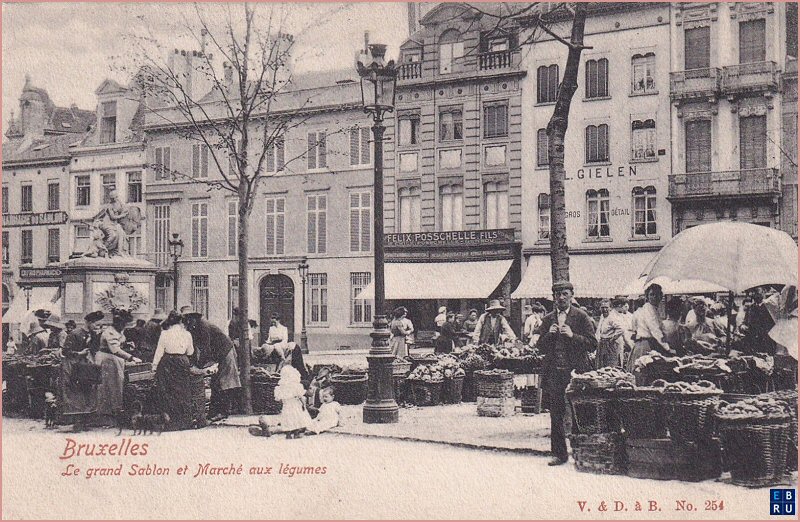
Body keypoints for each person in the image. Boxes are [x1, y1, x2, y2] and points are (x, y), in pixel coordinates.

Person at [536, 281, 598, 466]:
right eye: (557, 295)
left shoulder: (581, 316)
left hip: (576, 371)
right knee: (556, 413)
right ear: (553, 297)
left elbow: (592, 343)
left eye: (564, 294)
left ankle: (582, 450)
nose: (561, 298)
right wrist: (549, 335)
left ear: (571, 295)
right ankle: (559, 454)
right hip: (555, 371)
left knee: (581, 410)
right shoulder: (547, 319)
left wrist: (573, 336)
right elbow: (540, 346)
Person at [183, 308, 242, 422]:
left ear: (194, 318)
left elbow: (205, 349)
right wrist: (193, 362)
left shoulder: (203, 325)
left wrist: (199, 366)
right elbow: (195, 348)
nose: (187, 322)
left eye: (189, 319)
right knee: (216, 382)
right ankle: (214, 411)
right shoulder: (194, 328)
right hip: (218, 354)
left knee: (224, 382)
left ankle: (223, 412)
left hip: (225, 352)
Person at [152, 311, 197, 430]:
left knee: (168, 390)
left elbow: (159, 352)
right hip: (182, 361)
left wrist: (154, 367)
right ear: (181, 321)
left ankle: (170, 421)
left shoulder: (165, 334)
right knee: (183, 390)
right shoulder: (187, 334)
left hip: (168, 362)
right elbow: (190, 351)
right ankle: (184, 421)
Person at [95, 309, 141, 421]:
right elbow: (115, 350)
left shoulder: (119, 331)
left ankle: (115, 410)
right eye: (124, 324)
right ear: (118, 323)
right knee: (109, 386)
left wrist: (126, 344)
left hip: (115, 360)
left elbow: (119, 344)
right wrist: (131, 357)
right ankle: (106, 414)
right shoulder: (109, 332)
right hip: (107, 360)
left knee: (117, 385)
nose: (124, 327)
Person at [60, 311, 103, 427]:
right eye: (96, 324)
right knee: (76, 391)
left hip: (86, 365)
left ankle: (88, 417)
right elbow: (65, 351)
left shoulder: (94, 334)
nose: (97, 327)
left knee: (89, 388)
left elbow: (94, 349)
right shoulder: (75, 333)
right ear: (88, 322)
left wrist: (97, 338)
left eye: (99, 325)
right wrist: (79, 353)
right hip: (74, 365)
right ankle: (76, 419)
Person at [627, 284, 672, 371]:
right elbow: (655, 330)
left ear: (661, 296)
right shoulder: (649, 309)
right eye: (652, 294)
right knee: (645, 370)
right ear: (647, 296)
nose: (654, 297)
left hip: (641, 344)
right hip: (647, 345)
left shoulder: (644, 310)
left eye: (657, 294)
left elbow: (634, 329)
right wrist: (667, 348)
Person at [259, 314, 308, 381]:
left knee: (294, 364)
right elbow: (269, 339)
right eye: (272, 322)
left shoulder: (284, 328)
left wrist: (278, 346)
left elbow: (285, 340)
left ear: (278, 320)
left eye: (274, 322)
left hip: (282, 345)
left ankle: (302, 377)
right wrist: (267, 343)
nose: (273, 324)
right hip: (273, 346)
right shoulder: (271, 329)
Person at [273, 365, 311, 438]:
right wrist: (303, 405)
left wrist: (283, 403)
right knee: (296, 419)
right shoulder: (296, 386)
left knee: (287, 420)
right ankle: (296, 433)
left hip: (286, 407)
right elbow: (300, 396)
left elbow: (279, 399)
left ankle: (288, 434)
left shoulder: (281, 388)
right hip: (295, 405)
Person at [595, 299, 630, 368]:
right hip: (602, 343)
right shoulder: (603, 317)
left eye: (606, 307)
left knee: (610, 365)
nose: (604, 309)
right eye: (602, 307)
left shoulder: (612, 317)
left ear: (610, 308)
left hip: (610, 344)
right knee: (601, 365)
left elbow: (621, 329)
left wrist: (613, 338)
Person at [742, 287, 776, 355]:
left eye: (757, 292)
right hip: (753, 341)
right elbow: (745, 321)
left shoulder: (769, 307)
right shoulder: (750, 308)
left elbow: (774, 323)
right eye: (753, 292)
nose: (754, 294)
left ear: (764, 291)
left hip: (766, 341)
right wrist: (743, 326)